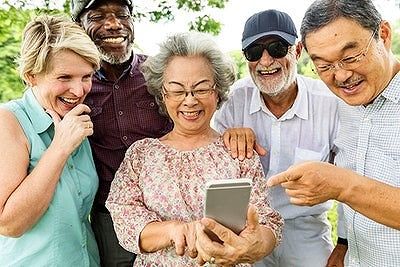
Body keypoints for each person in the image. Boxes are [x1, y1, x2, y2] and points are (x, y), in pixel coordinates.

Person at [105, 31, 283, 266]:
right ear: (163, 94)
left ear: (217, 91)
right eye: (178, 90)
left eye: (200, 89)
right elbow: (125, 218)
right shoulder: (141, 155)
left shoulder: (237, 152)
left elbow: (267, 222)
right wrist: (174, 231)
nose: (190, 101)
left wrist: (256, 243)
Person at [267, 0, 400, 266]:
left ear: (383, 35)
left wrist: (341, 185)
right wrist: (344, 244)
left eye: (350, 57)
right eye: (324, 65)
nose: (341, 76)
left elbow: (347, 185)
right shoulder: (341, 105)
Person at [213, 9, 339, 267]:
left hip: (306, 228)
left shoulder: (330, 103)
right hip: (248, 224)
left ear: (297, 50)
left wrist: (345, 242)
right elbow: (210, 164)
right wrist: (223, 138)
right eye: (254, 52)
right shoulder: (233, 100)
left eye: (277, 47)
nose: (266, 61)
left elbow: (352, 175)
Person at [71, 0, 173, 265]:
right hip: (109, 216)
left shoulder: (159, 73)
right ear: (78, 26)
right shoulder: (75, 85)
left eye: (121, 15)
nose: (114, 24)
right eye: (98, 16)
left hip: (169, 209)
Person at [0, 15, 100, 266]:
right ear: (32, 75)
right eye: (64, 77)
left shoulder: (73, 119)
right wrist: (61, 147)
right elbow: (8, 224)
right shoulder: (9, 121)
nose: (78, 91)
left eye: (86, 76)